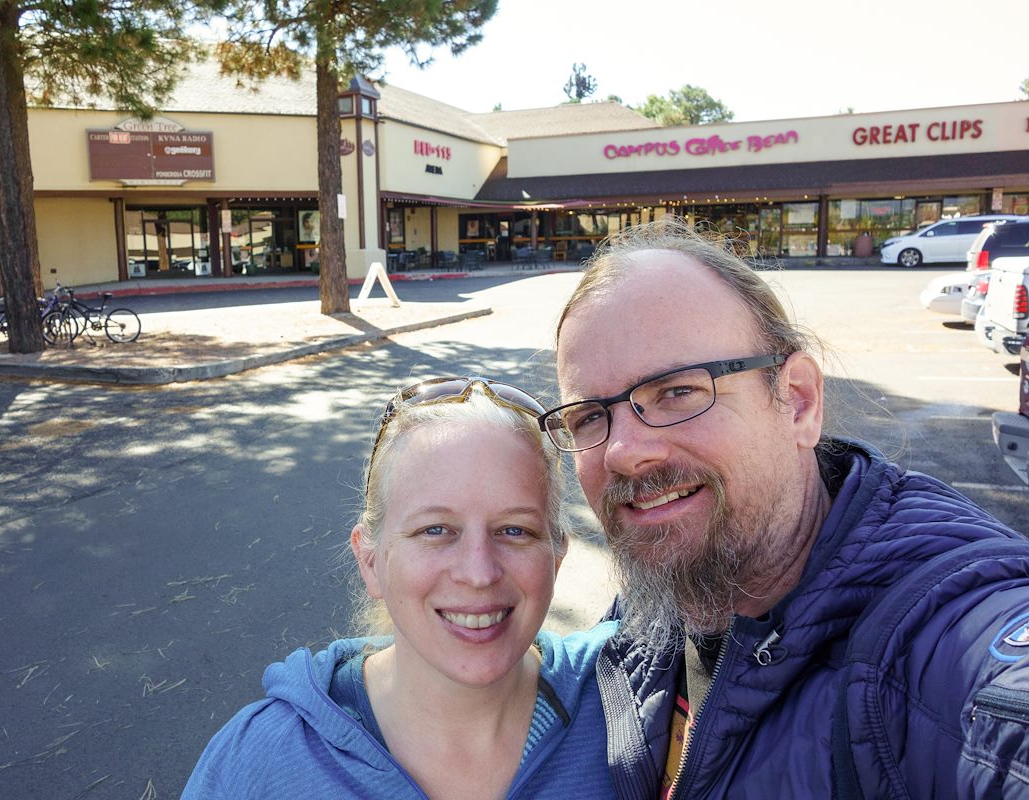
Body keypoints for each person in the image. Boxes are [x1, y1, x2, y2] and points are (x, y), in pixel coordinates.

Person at [537, 219, 1029, 799]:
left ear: (797, 401)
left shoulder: (944, 643)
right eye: (589, 417)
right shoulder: (667, 588)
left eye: (677, 391)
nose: (621, 452)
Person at [182, 377, 618, 799]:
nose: (478, 572)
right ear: (370, 560)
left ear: (556, 559)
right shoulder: (260, 762)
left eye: (514, 530)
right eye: (436, 529)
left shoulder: (629, 707)